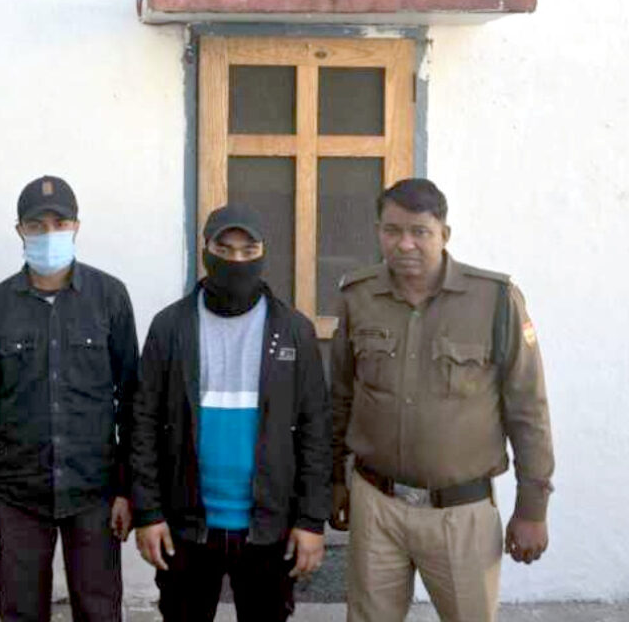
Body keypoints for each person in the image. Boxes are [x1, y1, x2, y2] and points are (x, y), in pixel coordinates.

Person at [330, 177, 554, 622]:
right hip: (376, 506)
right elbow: (341, 396)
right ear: (378, 232)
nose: (405, 244)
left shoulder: (494, 300)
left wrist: (533, 507)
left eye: (420, 231)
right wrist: (336, 479)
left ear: (444, 234)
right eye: (392, 230)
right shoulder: (359, 296)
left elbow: (528, 409)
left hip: (461, 514)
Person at [132, 203, 331, 622]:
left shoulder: (295, 330)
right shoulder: (170, 327)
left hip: (268, 527)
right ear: (205, 250)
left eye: (248, 251)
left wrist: (312, 520)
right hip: (187, 526)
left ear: (263, 253)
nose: (236, 260)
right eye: (224, 250)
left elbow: (315, 431)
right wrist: (148, 513)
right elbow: (143, 424)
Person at [0, 175, 139, 622]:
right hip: (17, 494)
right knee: (20, 612)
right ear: (19, 230)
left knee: (100, 611)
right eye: (36, 225)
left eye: (59, 224)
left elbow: (132, 403)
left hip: (95, 492)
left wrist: (127, 489)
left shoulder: (110, 297)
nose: (48, 234)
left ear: (76, 226)